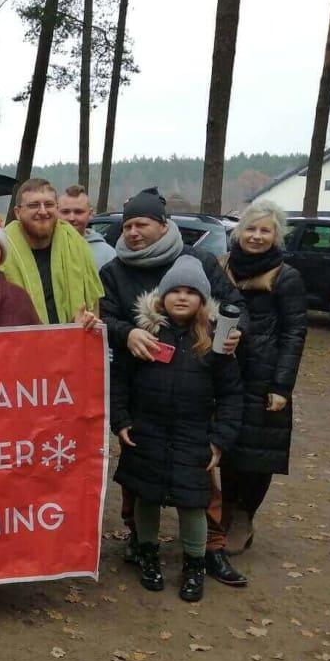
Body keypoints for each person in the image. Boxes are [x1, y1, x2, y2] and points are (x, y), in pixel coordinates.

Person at [99, 187, 247, 576]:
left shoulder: (198, 260)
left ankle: (209, 548)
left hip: (194, 392)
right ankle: (140, 540)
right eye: (127, 225)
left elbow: (233, 306)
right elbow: (107, 316)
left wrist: (234, 333)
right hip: (145, 384)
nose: (132, 232)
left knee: (199, 480)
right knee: (139, 475)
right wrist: (126, 333)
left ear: (163, 226)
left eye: (141, 224)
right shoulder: (114, 270)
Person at [111, 256, 242, 603]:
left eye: (190, 292)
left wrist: (219, 441)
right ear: (162, 296)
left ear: (202, 299)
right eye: (175, 291)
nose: (182, 297)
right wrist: (121, 420)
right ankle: (147, 553)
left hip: (193, 434)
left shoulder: (216, 341)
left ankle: (194, 564)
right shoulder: (145, 334)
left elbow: (231, 394)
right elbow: (120, 379)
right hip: (146, 430)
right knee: (146, 496)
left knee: (193, 503)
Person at [212, 200, 307, 561]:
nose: (256, 236)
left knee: (259, 452)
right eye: (251, 228)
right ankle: (227, 507)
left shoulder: (287, 277)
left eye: (265, 230)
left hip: (265, 378)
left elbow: (294, 333)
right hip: (224, 374)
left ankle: (243, 517)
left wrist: (281, 386)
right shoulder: (221, 267)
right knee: (229, 447)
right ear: (239, 231)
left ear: (276, 236)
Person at [0, 179, 104, 325]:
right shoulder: (1, 251)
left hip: (73, 342)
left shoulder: (76, 244)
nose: (42, 211)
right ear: (18, 212)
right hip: (19, 343)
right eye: (33, 205)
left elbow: (93, 304)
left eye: (49, 204)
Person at [58, 184, 116, 270]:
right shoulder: (46, 248)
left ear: (90, 214)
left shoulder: (107, 254)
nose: (71, 218)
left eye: (78, 212)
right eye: (65, 212)